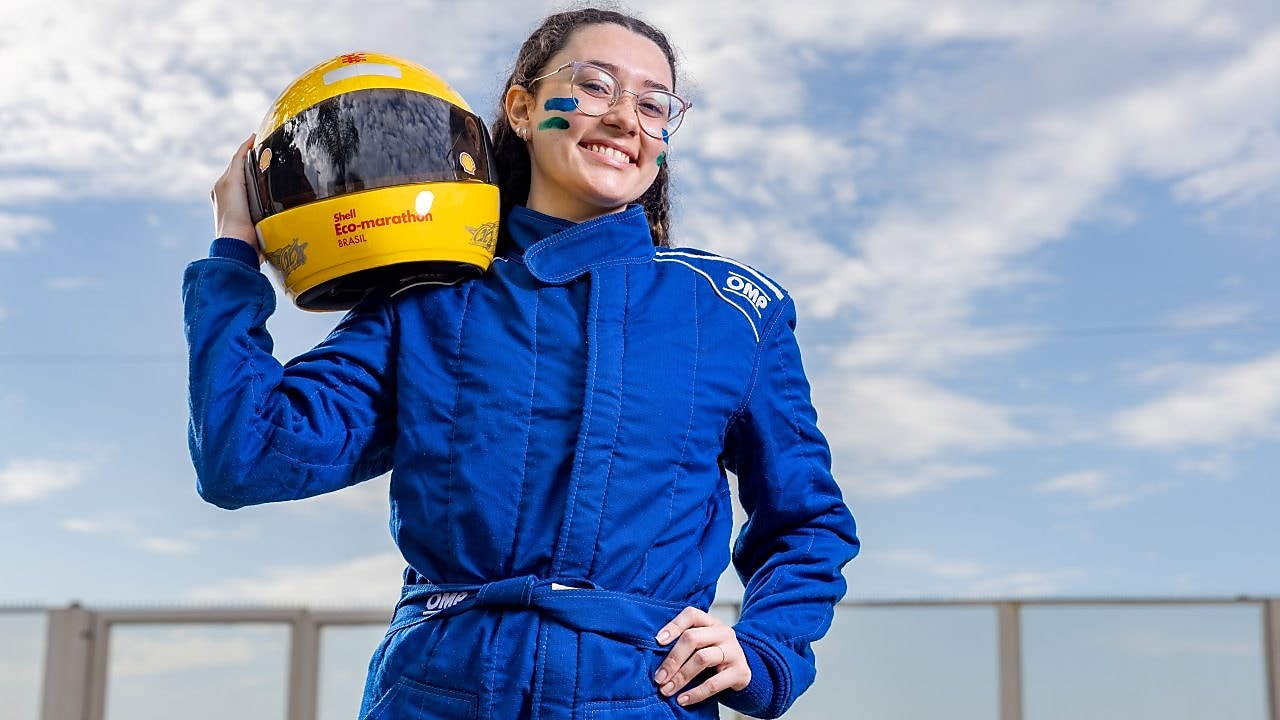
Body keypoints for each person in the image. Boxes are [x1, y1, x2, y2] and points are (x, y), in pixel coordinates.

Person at [185, 7, 858, 719]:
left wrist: (765, 649)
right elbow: (246, 456)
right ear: (523, 107)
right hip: (434, 695)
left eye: (654, 104)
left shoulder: (731, 312)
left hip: (638, 695)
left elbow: (808, 520)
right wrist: (234, 252)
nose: (626, 117)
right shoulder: (428, 300)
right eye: (595, 86)